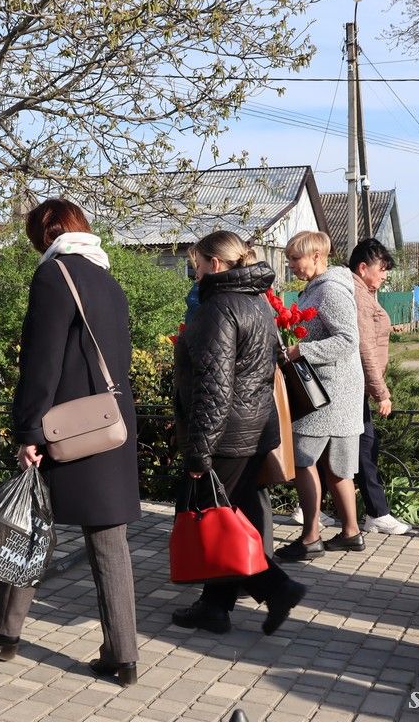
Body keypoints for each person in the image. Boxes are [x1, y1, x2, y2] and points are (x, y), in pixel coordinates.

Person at [0, 199, 141, 686]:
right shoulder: (106, 277)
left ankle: (1, 630)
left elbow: (42, 362)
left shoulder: (54, 275)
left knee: (28, 523)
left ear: (45, 234)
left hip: (65, 428)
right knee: (109, 543)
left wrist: (28, 431)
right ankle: (123, 657)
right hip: (109, 426)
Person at [170, 230, 308, 637]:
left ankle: (276, 588)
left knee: (213, 520)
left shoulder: (218, 308)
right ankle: (216, 607)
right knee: (231, 519)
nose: (195, 272)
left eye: (197, 263)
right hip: (253, 428)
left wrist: (200, 450)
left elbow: (214, 385)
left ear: (215, 263)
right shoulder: (257, 301)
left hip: (226, 434)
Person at [274, 230, 366, 560]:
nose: (291, 265)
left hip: (325, 394)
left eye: (295, 258)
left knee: (304, 461)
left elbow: (348, 341)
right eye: (288, 259)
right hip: (334, 391)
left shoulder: (329, 290)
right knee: (337, 467)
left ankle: (311, 537)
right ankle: (351, 533)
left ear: (316, 256)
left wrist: (301, 350)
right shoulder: (319, 288)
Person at [348, 238, 410, 535]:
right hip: (356, 386)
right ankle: (377, 513)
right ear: (363, 268)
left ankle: (313, 508)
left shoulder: (365, 293)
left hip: (357, 387)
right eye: (381, 269)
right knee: (365, 449)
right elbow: (365, 348)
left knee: (357, 449)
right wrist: (381, 392)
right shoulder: (359, 297)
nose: (385, 275)